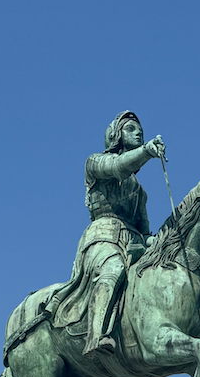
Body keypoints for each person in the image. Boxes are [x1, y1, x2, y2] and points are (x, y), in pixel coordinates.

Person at [47, 111, 167, 355]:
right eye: (131, 128)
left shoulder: (140, 192)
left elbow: (144, 230)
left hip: (133, 244)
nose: (139, 132)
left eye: (139, 129)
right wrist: (146, 152)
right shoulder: (95, 163)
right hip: (103, 238)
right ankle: (96, 335)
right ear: (116, 136)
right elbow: (118, 167)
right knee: (114, 269)